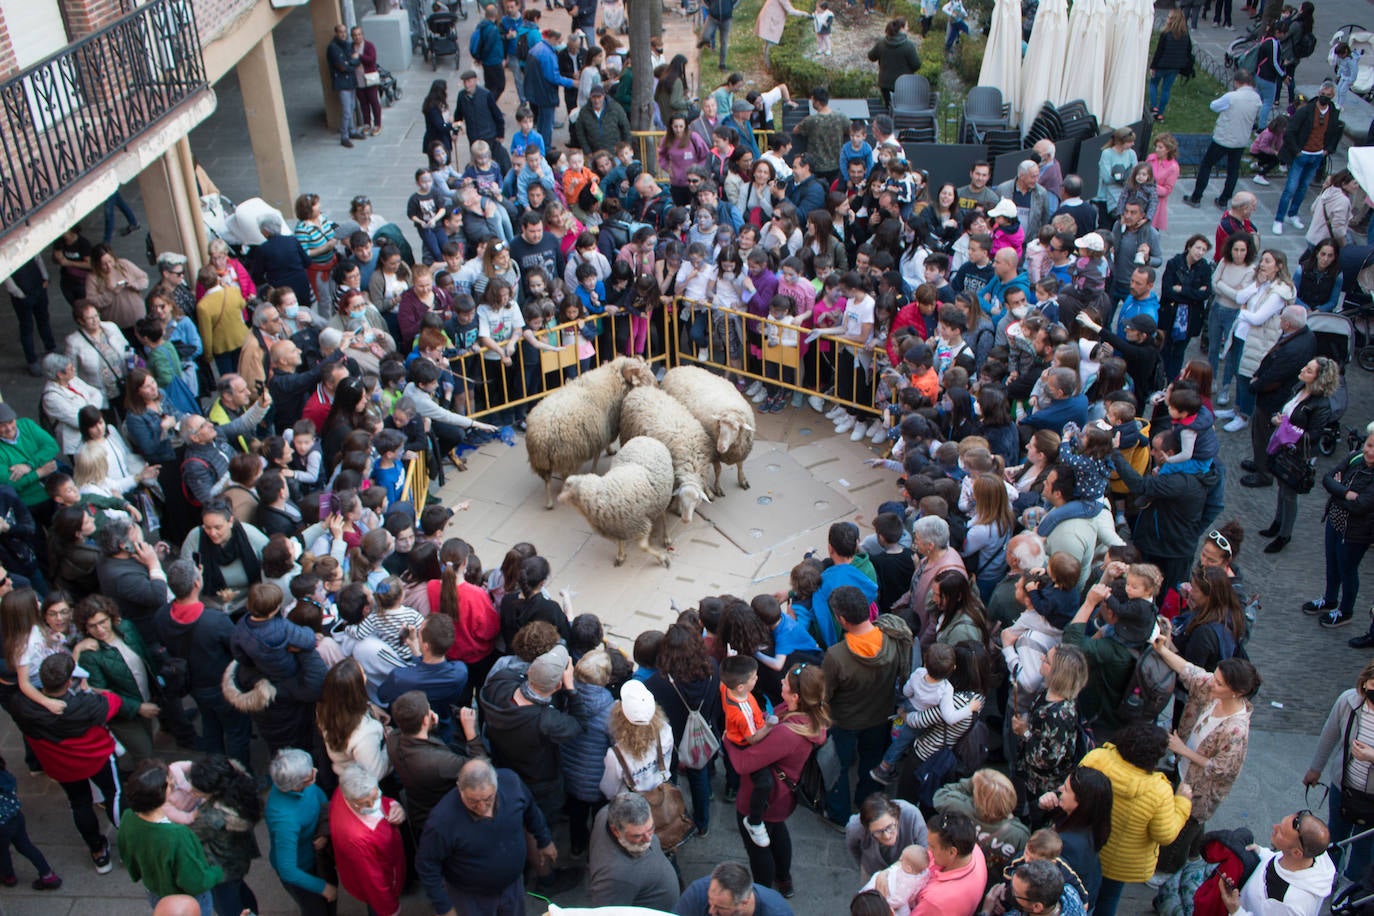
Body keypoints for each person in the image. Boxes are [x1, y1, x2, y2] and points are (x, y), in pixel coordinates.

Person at [1150, 639, 1260, 878]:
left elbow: (1223, 769)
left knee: (1183, 825)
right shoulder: (1214, 694)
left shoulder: (1236, 730)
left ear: (1237, 691)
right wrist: (1162, 650)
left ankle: (1167, 872)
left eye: (1219, 683)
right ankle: (1194, 853)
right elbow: (1189, 671)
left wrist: (1183, 750)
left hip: (1201, 787)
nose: (1212, 684)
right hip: (1186, 771)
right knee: (1193, 824)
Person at [726, 662, 830, 896]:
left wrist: (728, 738)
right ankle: (784, 880)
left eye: (785, 682)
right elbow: (765, 718)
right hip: (782, 796)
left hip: (764, 797)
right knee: (777, 831)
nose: (780, 683)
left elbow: (743, 764)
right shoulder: (807, 716)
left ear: (795, 696)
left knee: (758, 847)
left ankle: (763, 894)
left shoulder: (788, 733)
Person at [417, 758, 564, 914]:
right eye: (473, 801)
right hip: (470, 898)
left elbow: (531, 810)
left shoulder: (511, 783)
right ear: (459, 788)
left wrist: (544, 840)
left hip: (512, 888)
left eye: (488, 799)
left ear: (497, 785)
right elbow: (427, 864)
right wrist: (444, 907)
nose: (481, 807)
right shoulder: (441, 822)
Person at [1080, 722, 1192, 916]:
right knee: (1109, 899)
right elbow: (1164, 834)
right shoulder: (1159, 791)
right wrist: (1182, 803)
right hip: (1121, 861)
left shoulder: (1097, 759)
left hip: (1087, 845)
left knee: (1081, 891)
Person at [822, 585, 904, 826]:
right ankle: (869, 805)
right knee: (872, 763)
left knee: (838, 765)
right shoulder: (892, 640)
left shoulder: (836, 655)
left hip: (846, 720)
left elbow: (825, 694)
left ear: (842, 619)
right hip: (880, 716)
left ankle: (839, 814)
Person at [118, 759, 223, 914]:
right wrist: (218, 872)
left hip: (155, 892)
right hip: (185, 902)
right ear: (160, 794)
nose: (173, 782)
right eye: (169, 783)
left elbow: (127, 854)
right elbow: (195, 881)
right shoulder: (177, 836)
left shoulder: (127, 818)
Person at [1221, 810, 1336, 916]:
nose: (1274, 827)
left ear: (1296, 853)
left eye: (1281, 832)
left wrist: (1235, 910)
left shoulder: (1288, 904)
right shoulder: (1312, 855)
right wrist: (1261, 852)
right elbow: (1281, 857)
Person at [264, 748, 336, 915]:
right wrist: (323, 887)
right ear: (296, 786)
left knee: (330, 905)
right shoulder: (284, 820)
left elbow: (320, 798)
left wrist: (323, 832)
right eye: (310, 774)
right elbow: (287, 869)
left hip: (318, 857)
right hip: (302, 870)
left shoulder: (304, 785)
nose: (315, 772)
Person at [330, 764, 406, 916]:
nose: (373, 805)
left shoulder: (348, 789)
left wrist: (394, 806)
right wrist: (390, 910)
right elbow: (374, 882)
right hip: (380, 886)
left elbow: (382, 803)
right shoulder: (356, 838)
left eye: (375, 796)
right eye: (366, 803)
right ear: (350, 800)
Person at [1183, 71, 1262, 211]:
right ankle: (1224, 200)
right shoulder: (1256, 98)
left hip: (1224, 138)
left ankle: (1196, 197)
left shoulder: (1232, 97)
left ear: (1237, 82)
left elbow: (1214, 106)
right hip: (1241, 139)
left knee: (1207, 165)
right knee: (1233, 170)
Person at [1273, 81, 1343, 237]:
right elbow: (1290, 131)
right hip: (1302, 154)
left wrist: (1327, 150)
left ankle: (1293, 214)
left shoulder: (1333, 112)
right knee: (1290, 187)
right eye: (1323, 94)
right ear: (1319, 93)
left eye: (1328, 96)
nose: (1325, 98)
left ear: (1332, 96)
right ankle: (1279, 219)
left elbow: (1335, 132)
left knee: (1303, 187)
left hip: (1317, 155)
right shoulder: (1306, 111)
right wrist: (1297, 151)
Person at [589, 791, 680, 909]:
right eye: (637, 836)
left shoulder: (606, 813)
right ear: (616, 831)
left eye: (651, 828)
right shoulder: (616, 878)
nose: (648, 839)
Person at [910, 811, 988, 916]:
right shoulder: (974, 850)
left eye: (932, 846)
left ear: (952, 852)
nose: (928, 850)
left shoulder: (935, 902)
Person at [845, 795, 929, 881]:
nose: (887, 836)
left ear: (896, 817)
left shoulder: (912, 815)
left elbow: (926, 850)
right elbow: (854, 849)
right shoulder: (855, 828)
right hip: (873, 873)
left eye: (890, 827)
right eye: (878, 832)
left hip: (909, 874)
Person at [675, 861, 794, 916]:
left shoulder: (777, 912)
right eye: (710, 901)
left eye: (720, 907)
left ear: (744, 902)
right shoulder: (698, 892)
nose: (711, 911)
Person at [524, 29, 576, 149]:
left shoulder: (537, 48)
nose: (560, 45)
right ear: (552, 39)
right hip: (545, 93)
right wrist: (572, 82)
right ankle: (545, 147)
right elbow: (554, 77)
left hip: (536, 91)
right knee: (547, 123)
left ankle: (541, 145)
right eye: (559, 42)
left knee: (542, 121)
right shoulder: (548, 55)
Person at [869, 18, 922, 110]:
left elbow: (871, 56)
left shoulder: (881, 43)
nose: (908, 28)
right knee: (902, 110)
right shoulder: (908, 45)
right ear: (901, 29)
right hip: (903, 84)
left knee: (888, 108)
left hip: (885, 83)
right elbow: (916, 65)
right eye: (907, 26)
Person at [1149, 11, 1192, 121]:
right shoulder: (1185, 35)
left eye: (1169, 17)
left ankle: (1154, 108)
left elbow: (1159, 51)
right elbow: (1188, 51)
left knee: (1153, 84)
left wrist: (1153, 66)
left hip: (1161, 65)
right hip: (1174, 67)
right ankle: (1160, 113)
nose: (1167, 18)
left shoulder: (1165, 34)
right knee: (1166, 90)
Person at [326, 23, 363, 147]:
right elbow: (341, 66)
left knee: (352, 107)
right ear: (336, 33)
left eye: (344, 32)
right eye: (340, 32)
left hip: (351, 81)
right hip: (342, 83)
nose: (343, 34)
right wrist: (350, 63)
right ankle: (344, 135)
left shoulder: (348, 45)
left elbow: (356, 60)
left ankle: (352, 130)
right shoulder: (333, 48)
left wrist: (349, 63)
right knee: (346, 110)